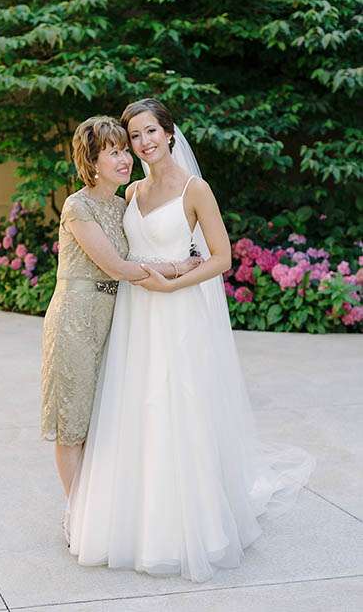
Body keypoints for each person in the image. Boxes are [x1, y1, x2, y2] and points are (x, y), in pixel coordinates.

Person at [66, 98, 315, 582]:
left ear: (169, 133)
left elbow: (221, 258)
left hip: (179, 309)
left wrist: (173, 283)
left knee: (179, 405)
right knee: (136, 406)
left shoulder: (195, 189)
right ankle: (135, 521)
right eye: (135, 136)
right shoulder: (131, 192)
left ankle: (190, 525)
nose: (143, 142)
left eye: (151, 132)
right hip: (136, 313)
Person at [41, 116, 201, 505]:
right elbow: (118, 266)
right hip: (75, 319)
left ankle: (104, 507)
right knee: (74, 421)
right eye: (111, 152)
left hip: (115, 316)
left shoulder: (122, 203)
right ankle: (76, 512)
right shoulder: (77, 207)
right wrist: (179, 267)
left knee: (105, 415)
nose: (123, 158)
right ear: (92, 162)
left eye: (123, 150)